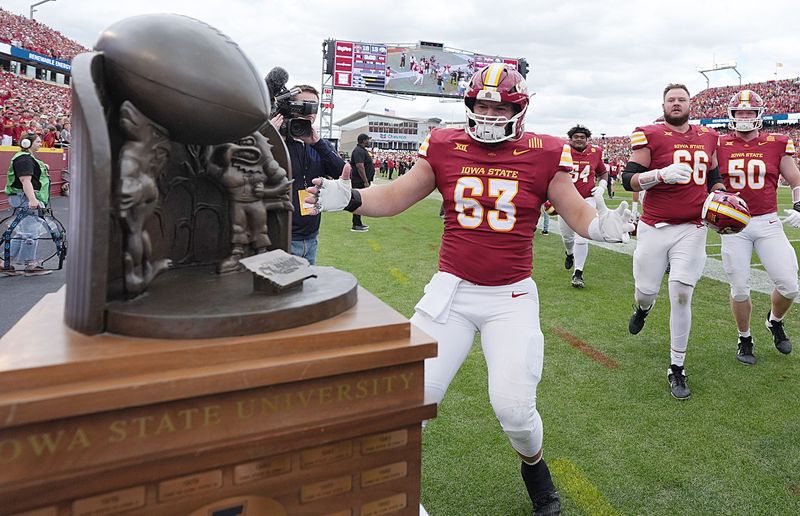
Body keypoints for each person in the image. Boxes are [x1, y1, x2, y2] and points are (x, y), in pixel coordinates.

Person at [305, 63, 632, 515]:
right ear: (470, 106)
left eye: (500, 107)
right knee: (406, 402)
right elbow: (398, 194)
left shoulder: (546, 151)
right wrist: (353, 199)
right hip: (452, 293)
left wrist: (604, 226)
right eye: (482, 105)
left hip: (510, 296)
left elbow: (576, 212)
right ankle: (398, 498)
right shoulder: (444, 144)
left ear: (518, 109)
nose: (490, 114)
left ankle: (535, 469)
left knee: (515, 410)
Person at [622, 83, 724, 399]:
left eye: (681, 99)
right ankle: (642, 309)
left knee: (681, 292)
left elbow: (713, 177)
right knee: (645, 292)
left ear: (690, 104)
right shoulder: (649, 134)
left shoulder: (708, 137)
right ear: (664, 105)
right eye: (671, 99)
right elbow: (628, 180)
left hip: (692, 226)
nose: (676, 103)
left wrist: (718, 191)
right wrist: (660, 175)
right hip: (654, 227)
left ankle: (676, 368)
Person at [717, 89, 800, 364]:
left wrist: (799, 205)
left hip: (767, 221)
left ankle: (774, 321)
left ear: (758, 115)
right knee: (739, 288)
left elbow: (795, 179)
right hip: (733, 225)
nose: (743, 117)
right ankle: (744, 338)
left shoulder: (777, 143)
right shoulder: (719, 145)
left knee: (789, 285)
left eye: (749, 112)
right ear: (731, 115)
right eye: (739, 112)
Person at [269, 85, 347, 264]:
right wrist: (269, 138)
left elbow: (341, 172)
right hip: (282, 237)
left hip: (311, 237)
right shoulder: (276, 142)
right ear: (291, 108)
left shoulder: (318, 145)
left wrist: (318, 143)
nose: (310, 111)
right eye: (305, 104)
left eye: (315, 106)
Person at [558, 124, 608, 287]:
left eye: (582, 137)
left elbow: (603, 172)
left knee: (582, 236)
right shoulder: (562, 151)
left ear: (587, 139)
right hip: (565, 199)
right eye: (576, 137)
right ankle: (569, 253)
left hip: (587, 199)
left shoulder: (595, 152)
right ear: (570, 139)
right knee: (567, 237)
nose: (579, 139)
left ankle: (578, 272)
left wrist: (601, 186)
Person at [2, 132, 52, 276]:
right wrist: (32, 199)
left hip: (23, 197)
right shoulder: (24, 159)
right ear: (27, 144)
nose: (40, 144)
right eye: (37, 142)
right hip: (24, 198)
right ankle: (31, 265)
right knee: (31, 232)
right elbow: (25, 181)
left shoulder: (26, 158)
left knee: (23, 232)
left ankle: (5, 263)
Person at [349, 133, 374, 232]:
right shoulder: (358, 151)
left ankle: (358, 223)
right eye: (368, 139)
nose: (369, 141)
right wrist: (365, 181)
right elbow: (360, 167)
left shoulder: (361, 150)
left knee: (360, 201)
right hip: (359, 181)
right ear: (363, 140)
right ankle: (356, 224)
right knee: (358, 201)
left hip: (360, 181)